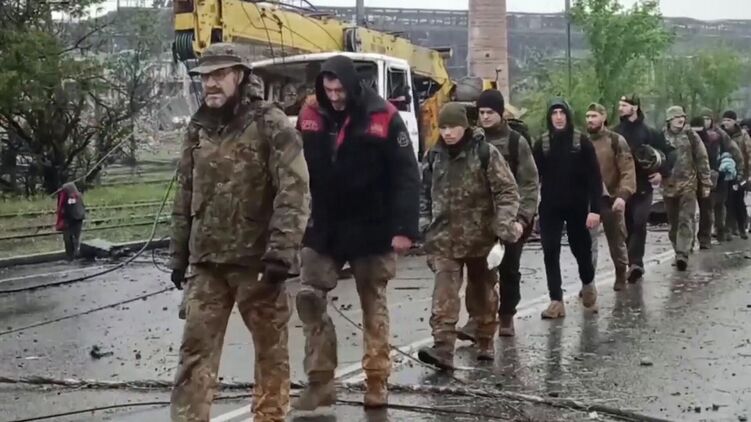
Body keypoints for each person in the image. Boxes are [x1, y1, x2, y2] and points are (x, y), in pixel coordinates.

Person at [168, 43, 311, 422]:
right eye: (205, 77)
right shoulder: (198, 128)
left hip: (257, 263)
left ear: (240, 76)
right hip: (207, 263)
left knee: (270, 351)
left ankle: (270, 416)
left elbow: (294, 189)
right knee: (194, 353)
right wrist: (178, 254)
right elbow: (185, 192)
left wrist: (282, 251)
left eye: (219, 75)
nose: (210, 84)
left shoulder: (269, 122)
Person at [293, 55, 420, 410]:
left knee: (372, 302)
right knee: (309, 297)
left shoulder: (382, 116)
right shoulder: (310, 115)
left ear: (351, 85)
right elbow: (292, 167)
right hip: (325, 224)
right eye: (328, 90)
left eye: (340, 90)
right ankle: (320, 380)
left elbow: (407, 175)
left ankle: (376, 380)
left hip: (372, 224)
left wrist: (405, 229)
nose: (334, 97)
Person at [417, 102, 521, 368]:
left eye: (453, 127)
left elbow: (507, 191)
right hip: (444, 239)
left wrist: (503, 224)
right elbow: (423, 192)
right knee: (444, 294)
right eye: (443, 127)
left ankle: (485, 339)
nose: (448, 133)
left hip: (480, 238)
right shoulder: (434, 156)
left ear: (465, 127)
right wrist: (424, 224)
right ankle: (443, 347)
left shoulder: (485, 153)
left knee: (482, 292)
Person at [458, 90, 538, 340]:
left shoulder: (516, 142)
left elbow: (529, 183)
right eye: (481, 112)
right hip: (479, 219)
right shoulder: (472, 141)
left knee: (509, 269)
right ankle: (477, 318)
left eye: (490, 112)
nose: (485, 117)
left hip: (511, 217)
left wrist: (522, 218)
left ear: (501, 113)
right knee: (478, 271)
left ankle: (506, 316)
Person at [533, 98, 602, 319]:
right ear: (549, 117)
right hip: (550, 207)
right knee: (550, 250)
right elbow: (532, 178)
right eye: (554, 113)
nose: (558, 117)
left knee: (581, 249)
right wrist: (531, 208)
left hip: (577, 206)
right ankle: (556, 300)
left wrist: (595, 210)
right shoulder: (542, 144)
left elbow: (595, 178)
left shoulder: (581, 142)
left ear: (568, 116)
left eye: (562, 113)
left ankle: (588, 283)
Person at [613, 94, 672, 283]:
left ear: (635, 107)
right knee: (626, 225)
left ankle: (636, 263)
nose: (620, 108)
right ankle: (630, 262)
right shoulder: (615, 133)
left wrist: (662, 172)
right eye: (620, 105)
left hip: (643, 186)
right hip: (622, 187)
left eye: (624, 105)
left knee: (639, 222)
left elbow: (669, 153)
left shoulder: (650, 132)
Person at [585, 103, 636, 291]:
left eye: (594, 116)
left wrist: (623, 195)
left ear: (603, 117)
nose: (590, 120)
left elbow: (627, 170)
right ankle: (588, 281)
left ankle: (621, 273)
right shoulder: (582, 142)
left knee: (616, 241)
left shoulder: (615, 140)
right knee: (587, 244)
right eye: (588, 116)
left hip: (611, 199)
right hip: (589, 201)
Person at [661, 106, 711, 270]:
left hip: (688, 185)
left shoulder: (691, 135)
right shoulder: (661, 136)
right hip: (668, 186)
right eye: (676, 117)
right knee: (673, 223)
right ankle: (678, 250)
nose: (680, 119)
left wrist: (706, 182)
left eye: (682, 116)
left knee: (685, 219)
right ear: (669, 120)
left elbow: (702, 158)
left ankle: (682, 254)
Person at [691, 115, 743, 248]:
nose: (706, 121)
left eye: (708, 118)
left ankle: (713, 235)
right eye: (704, 118)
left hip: (714, 176)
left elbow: (735, 152)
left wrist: (739, 173)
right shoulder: (687, 136)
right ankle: (689, 241)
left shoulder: (718, 135)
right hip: (690, 177)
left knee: (712, 207)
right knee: (691, 211)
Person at [720, 110, 751, 239]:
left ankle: (741, 227)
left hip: (740, 172)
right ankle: (728, 229)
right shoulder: (720, 134)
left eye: (729, 120)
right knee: (727, 202)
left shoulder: (742, 135)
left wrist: (747, 173)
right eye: (724, 120)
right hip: (724, 172)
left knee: (738, 201)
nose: (726, 123)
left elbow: (748, 153)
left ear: (734, 121)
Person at [55, 182, 86, 260]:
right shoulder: (78, 195)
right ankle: (75, 254)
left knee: (70, 239)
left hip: (71, 220)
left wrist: (64, 217)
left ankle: (72, 256)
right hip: (78, 219)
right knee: (75, 238)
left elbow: (69, 209)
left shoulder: (71, 197)